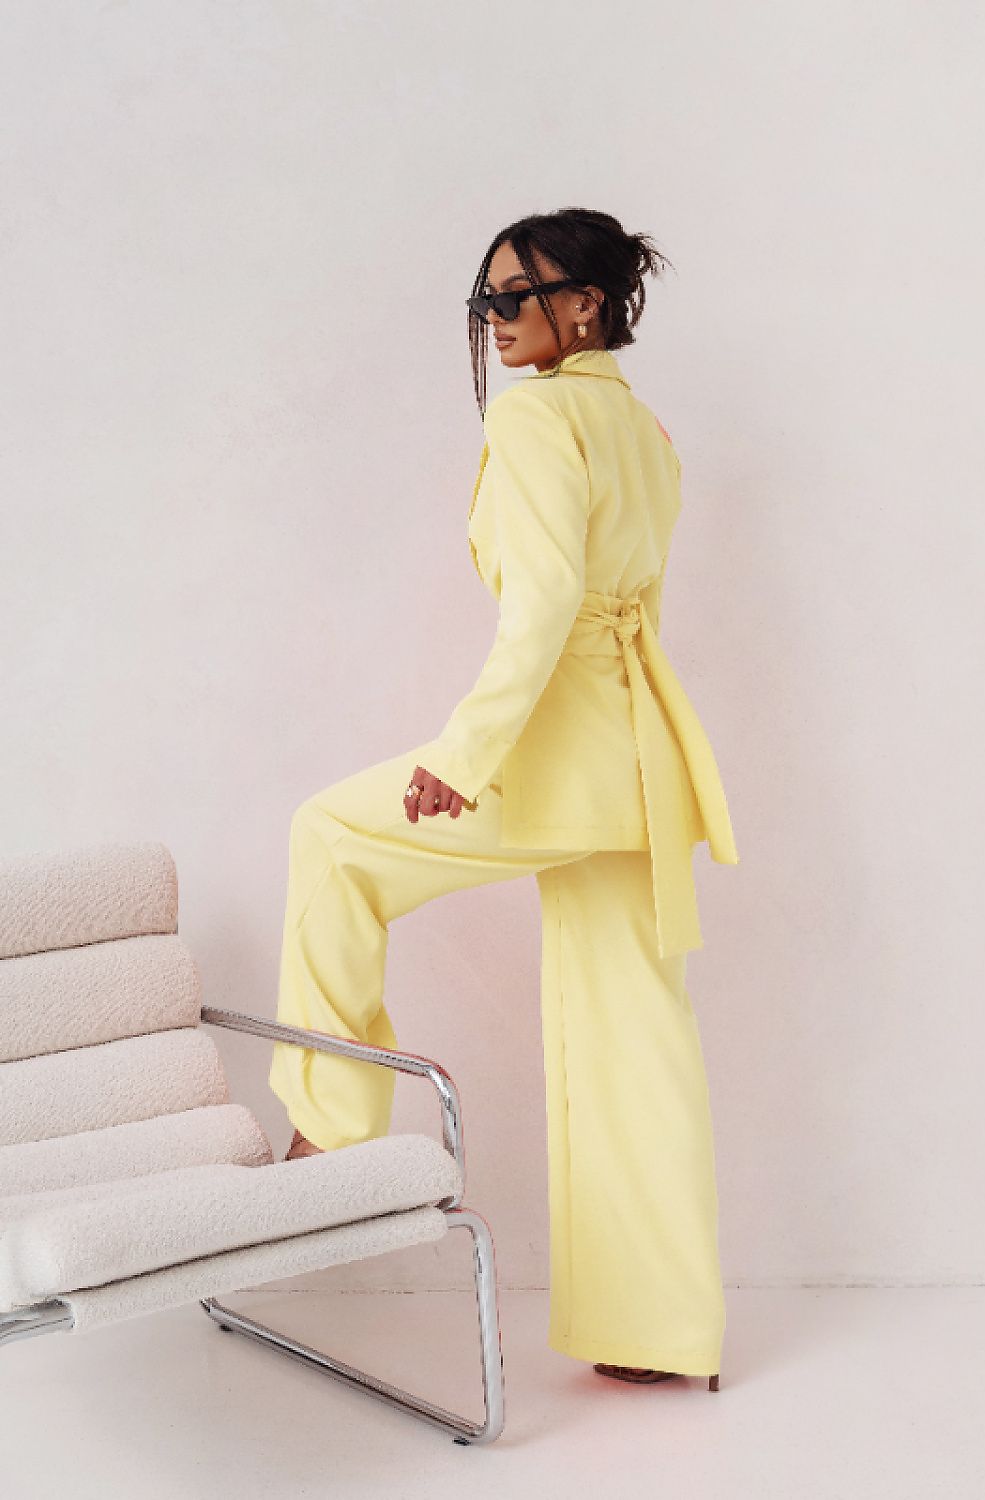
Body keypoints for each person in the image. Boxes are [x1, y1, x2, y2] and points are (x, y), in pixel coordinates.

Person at [268, 207, 738, 1388]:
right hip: (642, 770)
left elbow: (540, 608)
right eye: (481, 304)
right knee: (636, 1038)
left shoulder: (537, 421)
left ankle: (331, 1121)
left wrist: (465, 755)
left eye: (510, 299)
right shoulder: (643, 430)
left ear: (582, 303)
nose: (494, 322)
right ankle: (658, 1335)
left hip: (553, 749)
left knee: (328, 836)